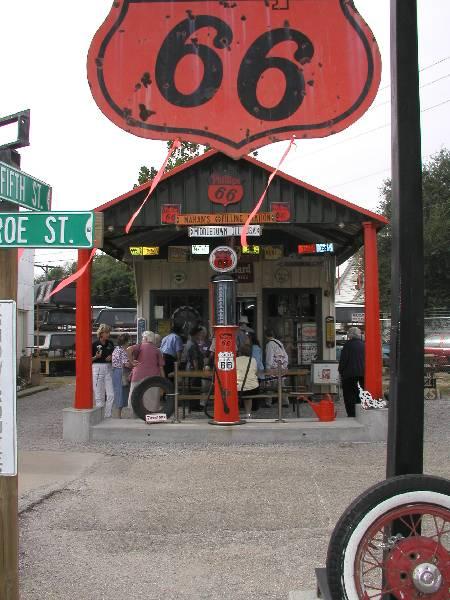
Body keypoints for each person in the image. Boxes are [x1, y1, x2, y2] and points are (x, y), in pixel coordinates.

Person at [127, 331, 165, 414]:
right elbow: (161, 367)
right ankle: (149, 414)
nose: (142, 339)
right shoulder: (157, 350)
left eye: (143, 338)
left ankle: (135, 412)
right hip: (153, 377)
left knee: (135, 394)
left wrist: (132, 361)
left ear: (146, 338)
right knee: (151, 397)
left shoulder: (139, 346)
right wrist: (163, 381)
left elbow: (128, 349)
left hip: (138, 375)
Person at [338, 326, 365, 417]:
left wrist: (340, 371)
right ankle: (360, 413)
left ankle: (351, 414)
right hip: (362, 375)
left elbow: (344, 360)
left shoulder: (347, 345)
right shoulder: (364, 345)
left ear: (350, 335)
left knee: (349, 396)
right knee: (359, 394)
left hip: (349, 376)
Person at [92, 324, 115, 418]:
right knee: (99, 394)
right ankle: (99, 416)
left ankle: (107, 415)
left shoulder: (110, 343)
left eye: (109, 332)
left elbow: (114, 355)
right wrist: (95, 357)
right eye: (106, 332)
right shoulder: (94, 344)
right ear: (101, 333)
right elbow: (88, 360)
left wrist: (112, 357)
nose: (108, 334)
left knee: (111, 394)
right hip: (97, 367)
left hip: (109, 368)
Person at [265, 328, 289, 406]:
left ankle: (268, 402)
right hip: (281, 366)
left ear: (266, 336)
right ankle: (285, 401)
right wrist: (284, 365)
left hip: (273, 367)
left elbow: (269, 357)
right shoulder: (279, 343)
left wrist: (268, 367)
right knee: (281, 385)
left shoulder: (270, 344)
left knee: (269, 385)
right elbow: (286, 355)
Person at [236, 341, 260, 419]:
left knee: (234, 395)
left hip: (238, 388)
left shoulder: (235, 360)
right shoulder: (253, 360)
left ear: (240, 352)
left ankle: (235, 413)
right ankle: (248, 414)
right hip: (252, 388)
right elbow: (256, 373)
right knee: (248, 396)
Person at [111, 333, 132, 418]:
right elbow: (126, 364)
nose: (130, 342)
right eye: (129, 340)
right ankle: (119, 414)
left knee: (119, 391)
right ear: (126, 341)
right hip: (122, 372)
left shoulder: (116, 349)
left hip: (116, 371)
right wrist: (134, 364)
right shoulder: (123, 350)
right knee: (122, 392)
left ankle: (119, 414)